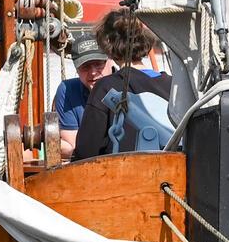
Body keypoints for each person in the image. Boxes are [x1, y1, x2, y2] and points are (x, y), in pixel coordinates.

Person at [71, 8, 176, 161]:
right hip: (172, 176)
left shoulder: (106, 88)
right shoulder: (173, 86)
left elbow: (86, 151)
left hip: (121, 178)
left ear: (107, 45)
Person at [53, 27, 111, 155]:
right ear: (76, 68)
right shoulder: (67, 90)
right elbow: (76, 145)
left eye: (98, 64)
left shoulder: (127, 84)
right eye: (85, 66)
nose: (93, 72)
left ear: (110, 61)